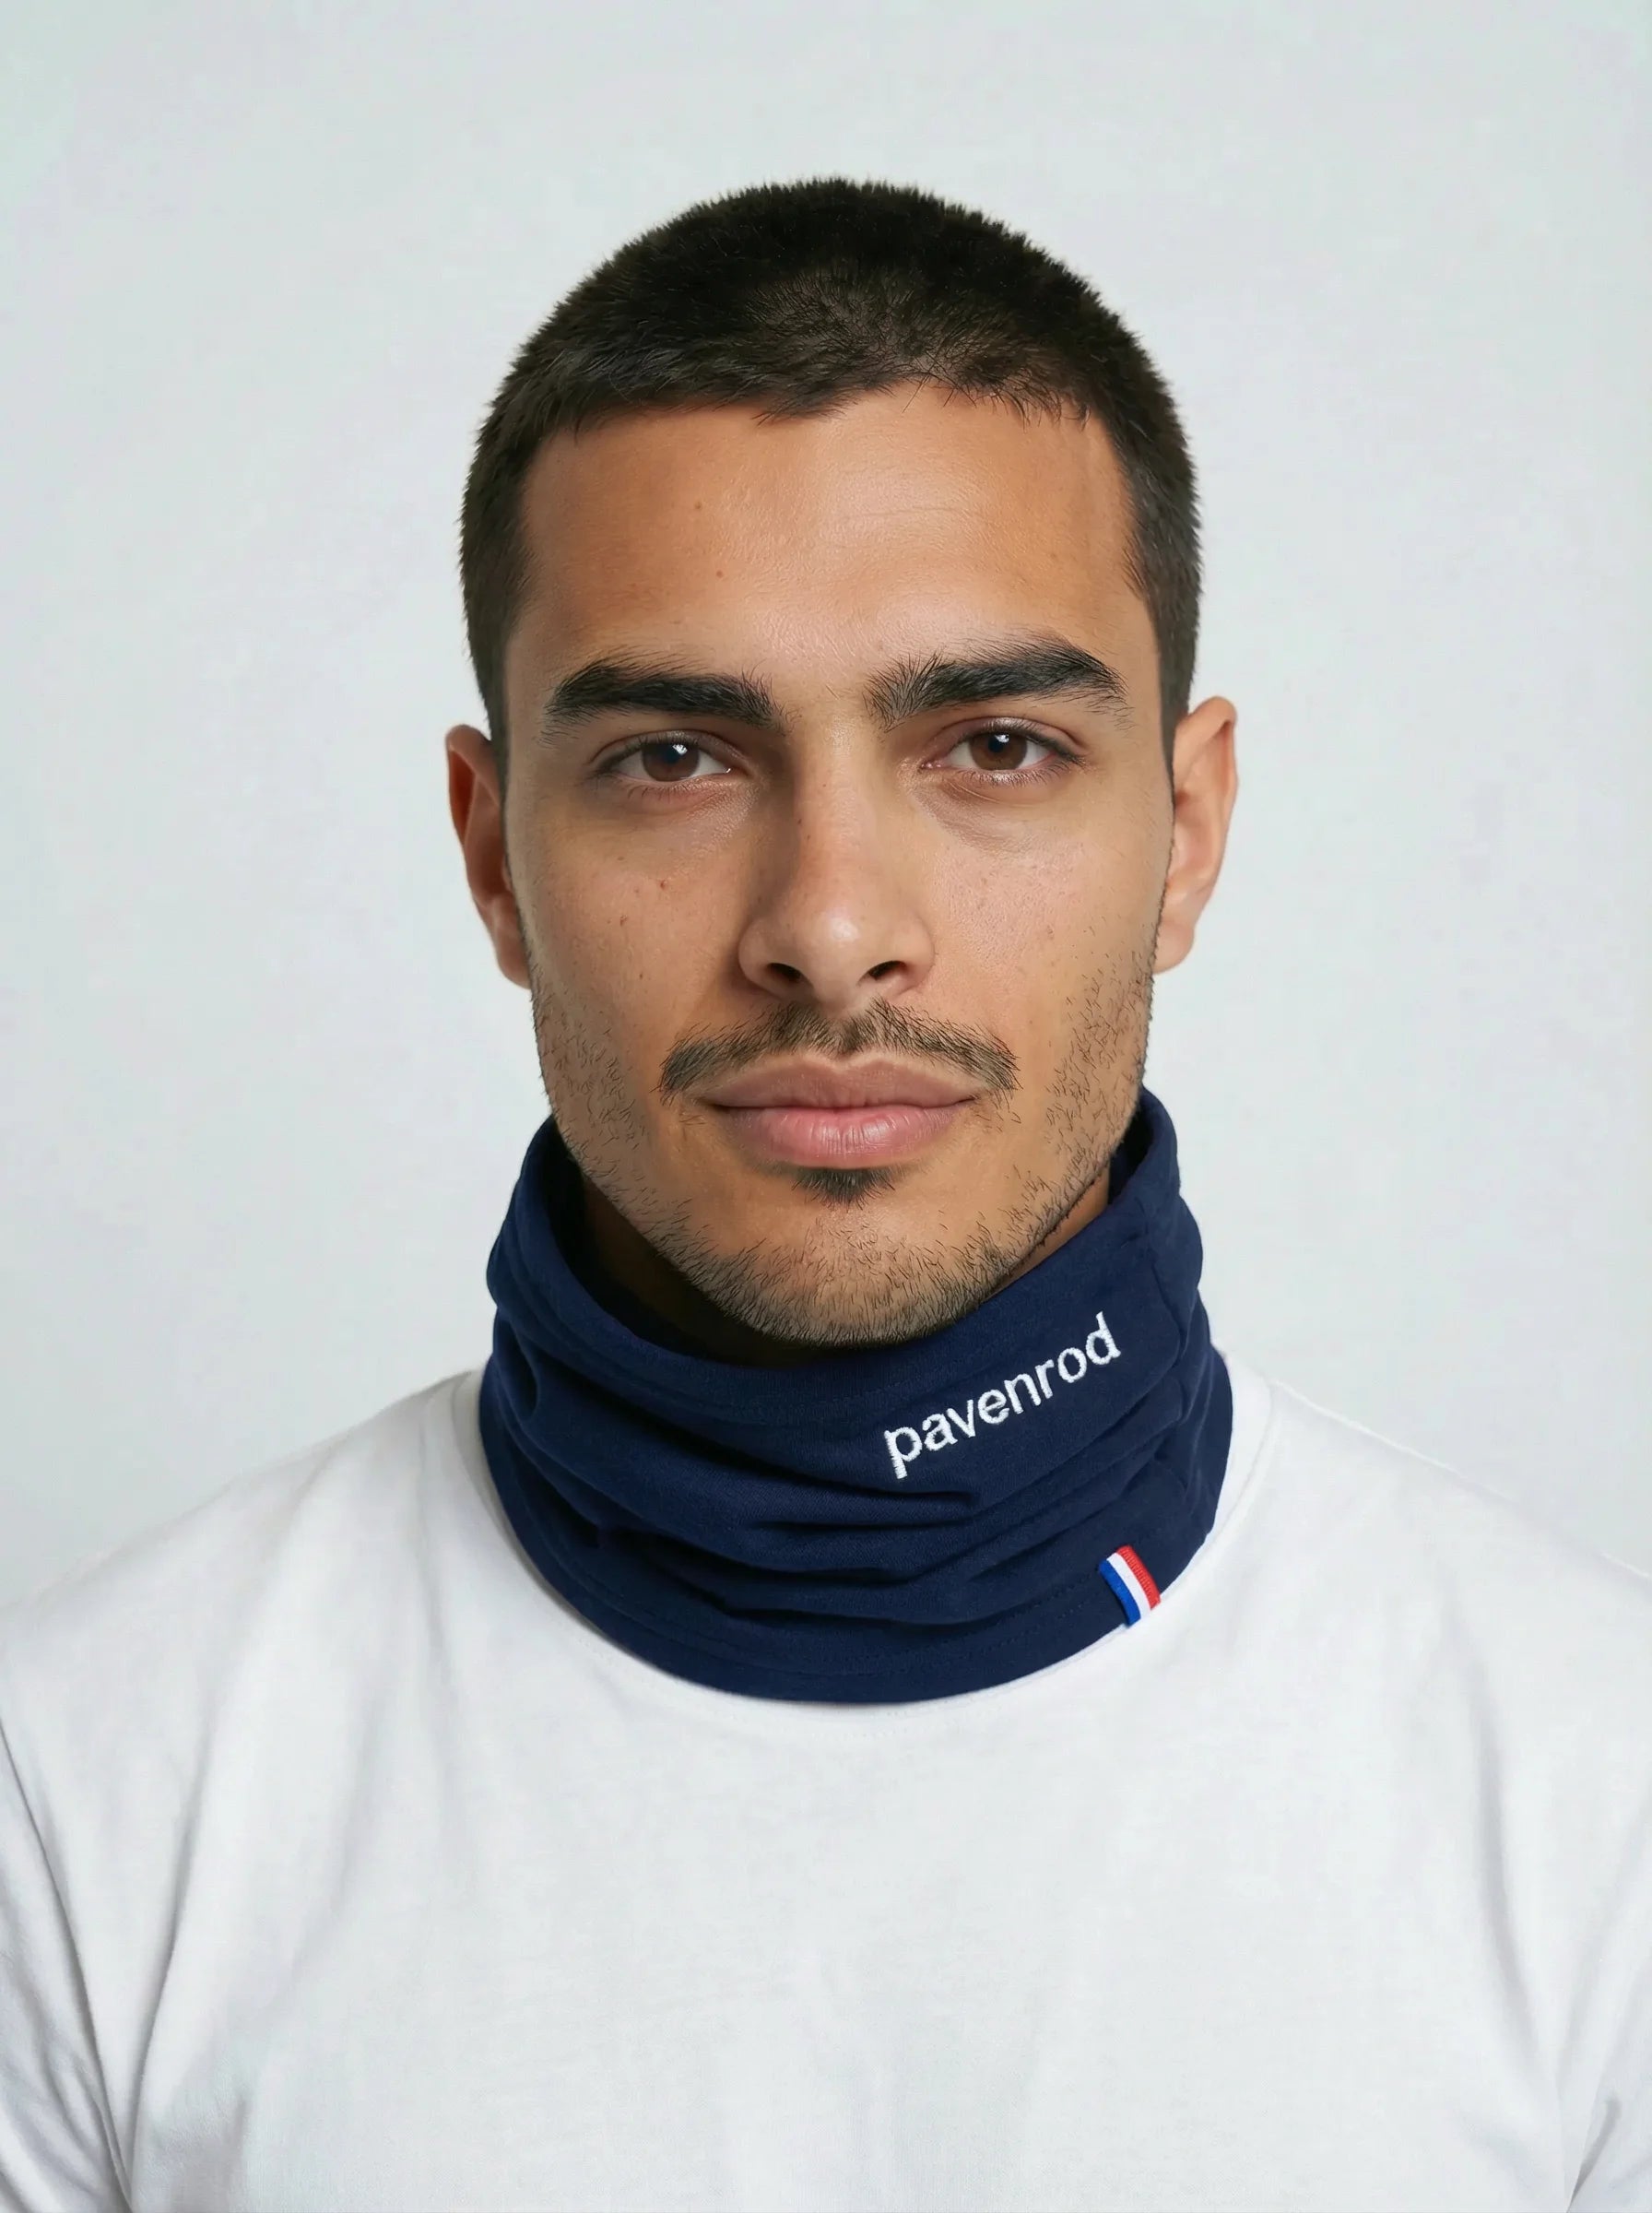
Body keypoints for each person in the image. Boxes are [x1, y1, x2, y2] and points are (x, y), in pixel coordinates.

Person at [1, 176, 1646, 2213]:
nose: (832, 927)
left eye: (995, 747)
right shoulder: (82, 1799)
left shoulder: (1598, 1806)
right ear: (494, 856)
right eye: (674, 760)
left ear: (1187, 833)